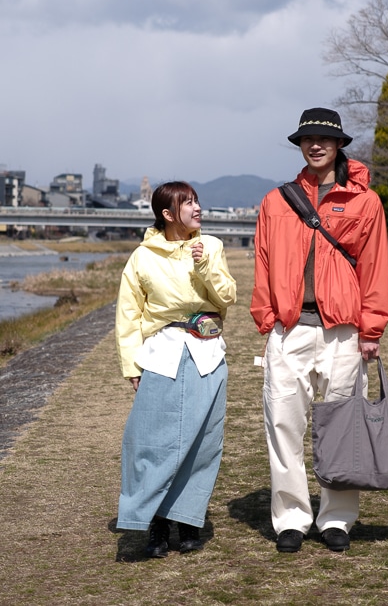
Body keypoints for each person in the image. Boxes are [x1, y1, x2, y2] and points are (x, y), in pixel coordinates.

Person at [250, 107, 388, 553]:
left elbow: (374, 267)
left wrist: (371, 329)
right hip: (289, 329)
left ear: (339, 145)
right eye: (307, 139)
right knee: (282, 424)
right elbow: (263, 261)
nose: (315, 145)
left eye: (324, 139)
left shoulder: (365, 201)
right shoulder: (276, 201)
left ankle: (337, 518)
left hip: (343, 332)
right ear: (300, 144)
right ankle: (291, 518)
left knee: (342, 426)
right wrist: (267, 318)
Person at [115, 181, 237, 558]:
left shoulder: (211, 246)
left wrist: (204, 266)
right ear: (168, 214)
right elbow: (128, 314)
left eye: (197, 200)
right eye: (187, 203)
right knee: (150, 440)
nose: (197, 208)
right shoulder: (142, 256)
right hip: (162, 353)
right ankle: (155, 521)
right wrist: (131, 365)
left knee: (203, 442)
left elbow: (227, 297)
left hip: (207, 352)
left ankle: (187, 519)